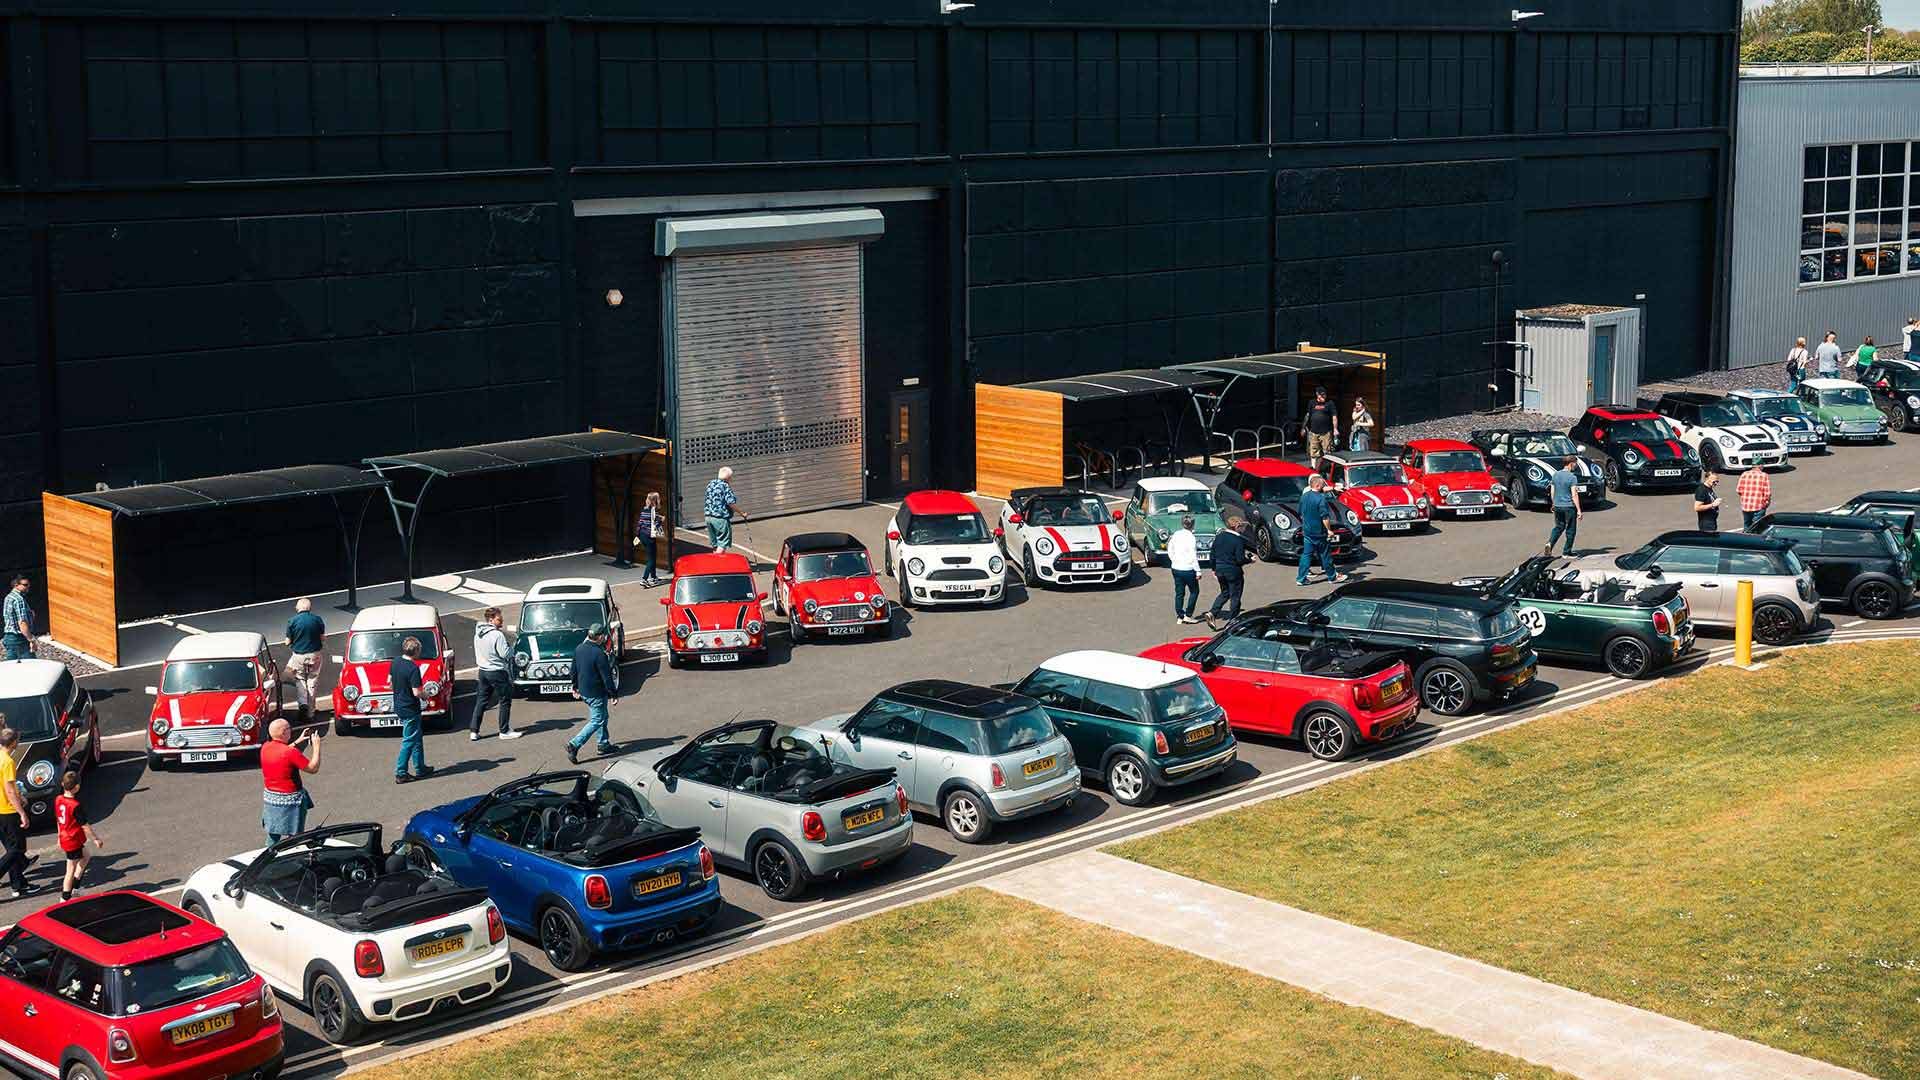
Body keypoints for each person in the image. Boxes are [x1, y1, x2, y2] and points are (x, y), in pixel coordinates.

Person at [260, 717, 321, 842]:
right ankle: (294, 850)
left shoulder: (265, 747)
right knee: (295, 835)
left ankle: (270, 853)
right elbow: (313, 768)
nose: (291, 731)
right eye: (289, 729)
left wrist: (297, 741)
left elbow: (281, 751)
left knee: (273, 833)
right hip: (291, 801)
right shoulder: (290, 752)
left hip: (271, 799)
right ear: (283, 732)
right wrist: (317, 747)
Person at [566, 624, 619, 764]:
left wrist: (575, 687)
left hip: (584, 691)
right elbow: (606, 677)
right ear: (600, 637)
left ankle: (603, 744)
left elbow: (573, 671)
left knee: (602, 715)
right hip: (596, 693)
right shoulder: (599, 653)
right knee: (597, 720)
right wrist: (613, 694)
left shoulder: (579, 648)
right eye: (604, 636)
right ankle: (574, 744)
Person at [469, 607, 518, 741]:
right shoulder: (497, 635)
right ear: (491, 620)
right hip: (497, 671)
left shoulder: (478, 633)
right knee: (505, 700)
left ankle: (474, 730)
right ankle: (504, 730)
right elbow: (505, 654)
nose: (501, 620)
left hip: (483, 671)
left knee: (481, 701)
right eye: (498, 618)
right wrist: (512, 648)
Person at [55, 771, 103, 901]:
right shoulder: (75, 805)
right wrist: (96, 839)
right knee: (70, 869)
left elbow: (59, 819)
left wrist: (59, 836)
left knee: (86, 856)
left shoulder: (58, 799)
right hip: (72, 839)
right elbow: (84, 825)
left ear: (62, 784)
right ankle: (65, 897)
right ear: (77, 787)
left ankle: (75, 888)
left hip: (66, 837)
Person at [0, 726, 35, 899]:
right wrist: (21, 812)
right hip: (7, 811)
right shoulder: (7, 762)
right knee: (18, 848)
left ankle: (18, 884)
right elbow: (10, 791)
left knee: (11, 849)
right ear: (13, 743)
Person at [391, 637, 432, 784]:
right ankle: (401, 772)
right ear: (416, 651)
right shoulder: (413, 668)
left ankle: (420, 767)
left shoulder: (396, 662)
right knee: (409, 740)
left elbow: (390, 680)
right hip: (410, 708)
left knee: (416, 737)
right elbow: (417, 692)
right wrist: (426, 696)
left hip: (399, 705)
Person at [1296, 474, 1348, 586]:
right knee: (1325, 555)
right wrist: (1329, 530)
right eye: (1323, 484)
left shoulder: (1304, 496)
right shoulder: (1321, 499)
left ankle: (1301, 578)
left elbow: (1300, 512)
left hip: (1307, 532)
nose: (1324, 486)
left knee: (1306, 555)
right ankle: (1332, 577)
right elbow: (1325, 517)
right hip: (1319, 532)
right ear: (1318, 485)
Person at [282, 597, 326, 721]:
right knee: (312, 681)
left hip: (299, 656)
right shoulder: (318, 619)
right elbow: (323, 638)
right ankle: (311, 712)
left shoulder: (292, 621)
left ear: (298, 608)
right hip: (315, 655)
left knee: (300, 679)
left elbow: (287, 642)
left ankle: (303, 704)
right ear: (309, 608)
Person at [1204, 518, 1251, 626]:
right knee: (1235, 596)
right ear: (1236, 527)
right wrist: (1249, 560)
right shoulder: (1238, 540)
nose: (1243, 529)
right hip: (1233, 571)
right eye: (1242, 527)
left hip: (1220, 570)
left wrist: (1214, 569)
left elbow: (1212, 555)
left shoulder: (1219, 537)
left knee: (1225, 593)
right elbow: (1239, 559)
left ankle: (1212, 613)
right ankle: (1233, 621)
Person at [1544, 455, 1583, 557]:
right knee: (1571, 530)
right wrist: (1579, 510)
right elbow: (1574, 494)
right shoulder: (1572, 477)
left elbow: (1553, 491)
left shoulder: (1556, 475)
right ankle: (1567, 552)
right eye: (1575, 463)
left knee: (1558, 527)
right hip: (1569, 507)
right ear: (1571, 463)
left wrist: (1553, 503)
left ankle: (1550, 543)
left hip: (1557, 505)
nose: (1576, 466)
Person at [1166, 515, 1201, 624]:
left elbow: (1170, 548)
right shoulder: (1191, 537)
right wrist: (1198, 570)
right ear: (1193, 524)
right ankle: (1188, 615)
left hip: (1176, 567)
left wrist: (1173, 560)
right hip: (1188, 569)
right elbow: (1193, 556)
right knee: (1194, 591)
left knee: (1179, 592)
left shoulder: (1176, 534)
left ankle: (1180, 615)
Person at [704, 467, 745, 553]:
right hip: (720, 519)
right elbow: (730, 503)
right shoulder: (725, 486)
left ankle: (715, 560)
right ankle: (717, 564)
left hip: (708, 517)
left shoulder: (711, 483)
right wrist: (741, 513)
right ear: (728, 477)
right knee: (722, 544)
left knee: (715, 544)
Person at [635, 491, 666, 587]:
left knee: (652, 555)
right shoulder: (653, 511)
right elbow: (655, 525)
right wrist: (661, 520)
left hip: (642, 535)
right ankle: (644, 579)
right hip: (649, 537)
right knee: (651, 559)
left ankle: (653, 577)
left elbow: (641, 523)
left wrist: (638, 535)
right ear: (655, 501)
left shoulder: (644, 510)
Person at [1303, 387, 1339, 469]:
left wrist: (1335, 429)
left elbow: (1334, 416)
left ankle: (1326, 469)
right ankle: (1313, 467)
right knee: (1313, 451)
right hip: (1314, 432)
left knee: (1327, 451)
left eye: (1324, 395)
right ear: (1317, 395)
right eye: (1322, 395)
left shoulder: (1330, 403)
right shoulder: (1312, 403)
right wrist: (1303, 427)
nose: (1323, 397)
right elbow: (1308, 415)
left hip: (1326, 432)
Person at [3, 576, 34, 661]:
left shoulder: (9, 597)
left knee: (13, 668)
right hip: (19, 639)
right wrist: (31, 640)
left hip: (9, 638)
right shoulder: (18, 599)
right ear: (16, 585)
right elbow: (22, 622)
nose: (28, 587)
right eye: (25, 585)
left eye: (28, 585)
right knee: (31, 666)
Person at [1737, 462, 1772, 530]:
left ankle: (1745, 538)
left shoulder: (1744, 474)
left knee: (1747, 526)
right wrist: (1767, 503)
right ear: (1760, 465)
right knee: (1757, 527)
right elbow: (1767, 493)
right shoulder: (1764, 475)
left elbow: (1739, 490)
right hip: (1758, 507)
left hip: (1746, 506)